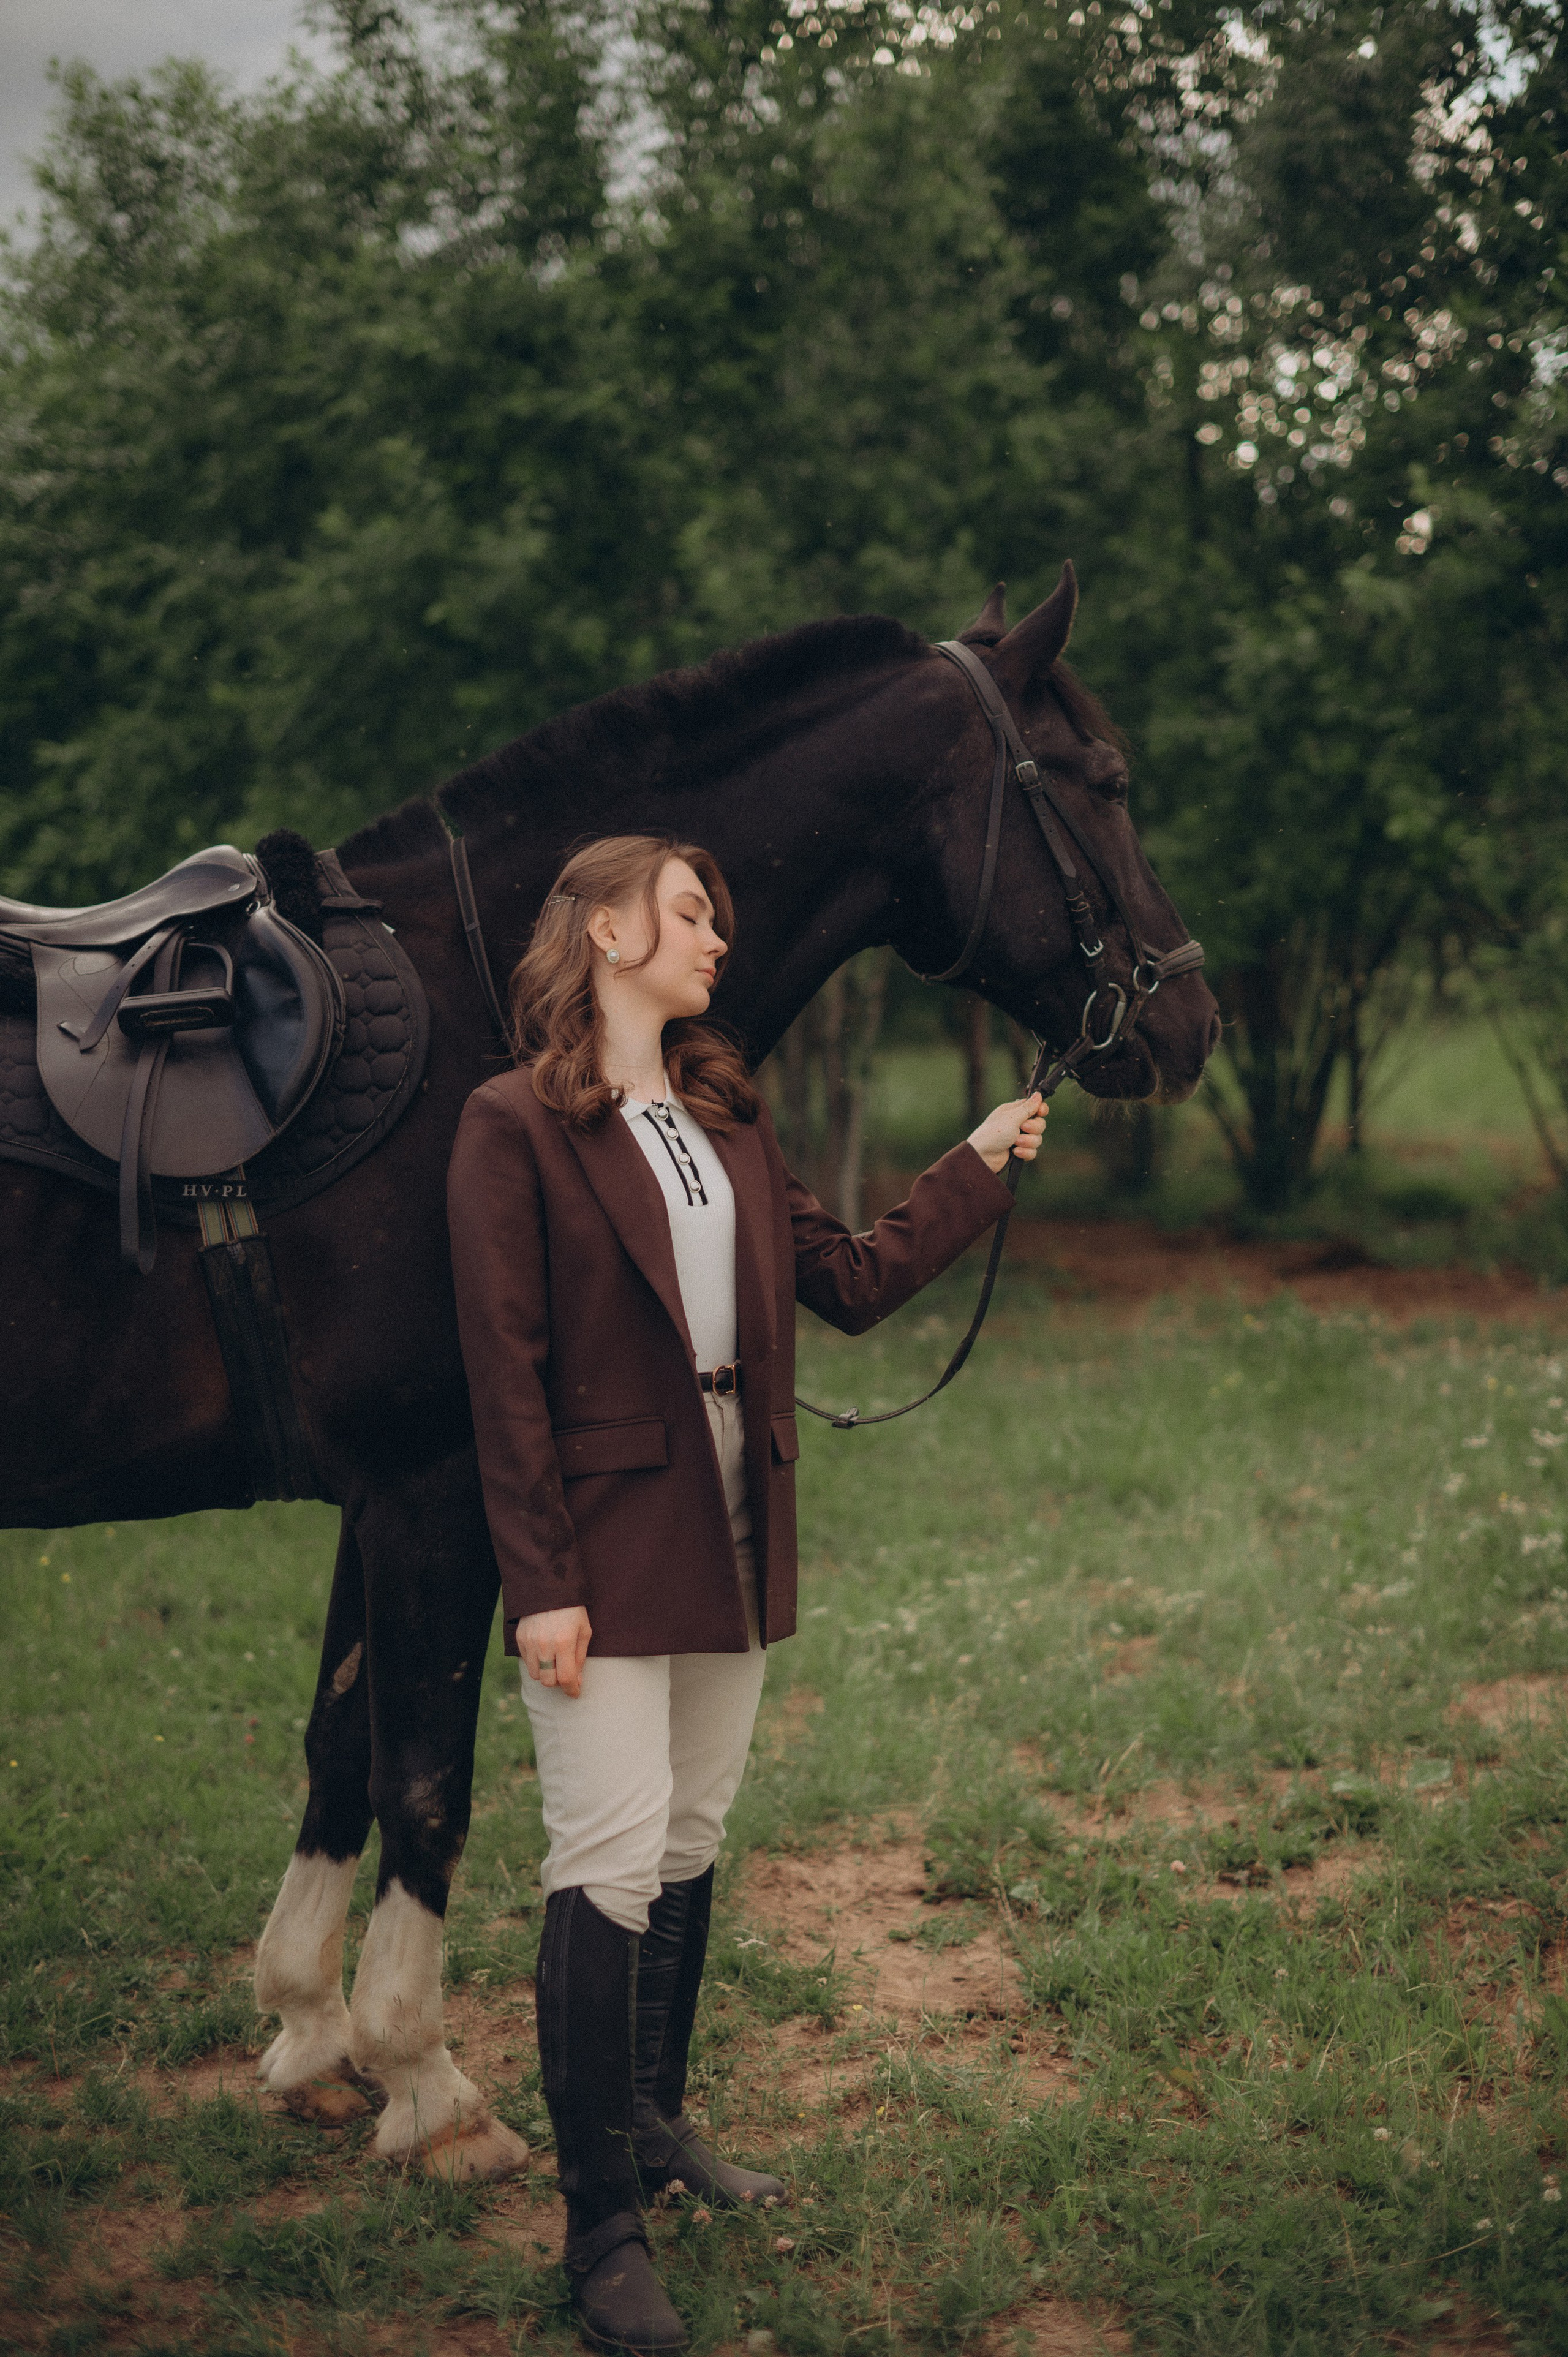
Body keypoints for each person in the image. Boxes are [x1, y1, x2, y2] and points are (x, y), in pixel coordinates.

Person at [446, 834, 1046, 2355]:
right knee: (606, 1854)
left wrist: (974, 1163)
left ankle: (652, 2123)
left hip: (733, 1532)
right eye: (692, 911)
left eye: (718, 915)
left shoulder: (723, 1118)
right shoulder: (509, 1124)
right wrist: (540, 1587)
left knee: (692, 1836)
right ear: (600, 928)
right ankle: (599, 2232)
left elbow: (844, 1278)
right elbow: (503, 1382)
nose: (718, 938)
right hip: (599, 1552)